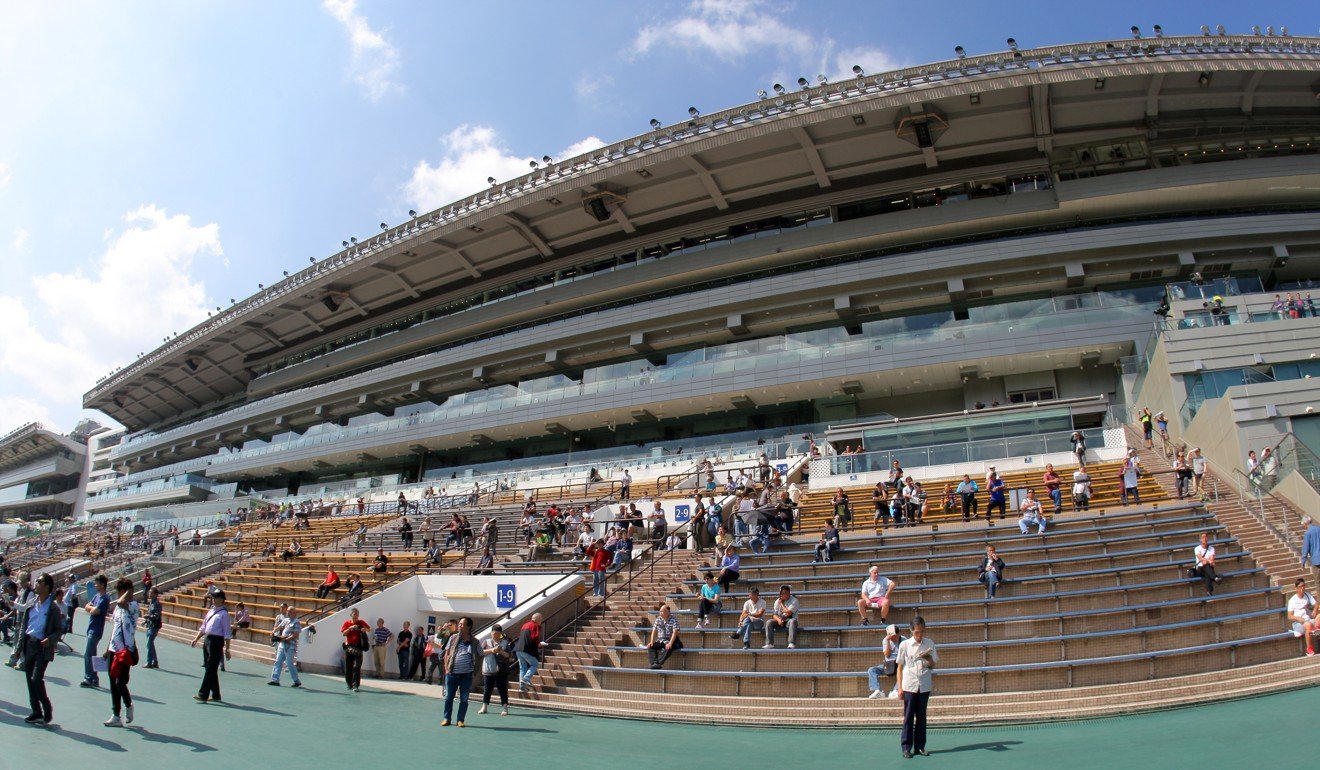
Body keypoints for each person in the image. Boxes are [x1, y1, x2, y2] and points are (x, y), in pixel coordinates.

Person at [22, 573, 64, 725]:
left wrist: (50, 640)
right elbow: (24, 625)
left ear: (47, 586)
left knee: (36, 678)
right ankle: (36, 711)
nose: (36, 583)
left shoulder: (53, 608)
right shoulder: (32, 603)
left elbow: (59, 630)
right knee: (29, 678)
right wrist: (21, 645)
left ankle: (46, 708)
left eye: (39, 581)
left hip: (42, 646)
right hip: (29, 643)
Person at [896, 616, 938, 758]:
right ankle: (906, 747)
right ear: (911, 631)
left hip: (924, 685)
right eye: (916, 632)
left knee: (922, 717)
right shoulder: (905, 645)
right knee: (908, 717)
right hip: (909, 685)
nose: (919, 635)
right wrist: (900, 688)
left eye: (922, 632)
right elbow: (900, 667)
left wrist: (929, 659)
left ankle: (920, 747)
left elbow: (933, 665)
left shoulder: (930, 643)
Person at [103, 576, 139, 727]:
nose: (117, 594)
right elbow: (115, 629)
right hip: (114, 649)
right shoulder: (118, 608)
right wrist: (107, 648)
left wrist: (128, 592)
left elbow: (121, 601)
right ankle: (116, 715)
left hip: (125, 651)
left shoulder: (133, 605)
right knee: (112, 683)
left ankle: (129, 704)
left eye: (119, 591)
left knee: (120, 682)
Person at [190, 588, 232, 703]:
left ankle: (203, 694)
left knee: (211, 668)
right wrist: (196, 638)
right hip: (208, 639)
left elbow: (227, 633)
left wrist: (227, 649)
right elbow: (204, 627)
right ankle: (216, 694)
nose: (213, 599)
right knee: (210, 668)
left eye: (215, 597)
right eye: (213, 597)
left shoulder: (224, 614)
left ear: (221, 599)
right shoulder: (211, 611)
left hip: (217, 641)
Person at [441, 617, 481, 727]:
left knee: (464, 699)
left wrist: (475, 669)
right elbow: (447, 654)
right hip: (452, 673)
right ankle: (446, 718)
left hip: (466, 675)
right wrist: (447, 669)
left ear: (469, 627)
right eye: (459, 624)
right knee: (449, 697)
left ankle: (460, 720)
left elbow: (481, 654)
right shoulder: (453, 638)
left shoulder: (475, 642)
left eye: (462, 624)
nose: (459, 626)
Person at [479, 623, 516, 716]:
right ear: (491, 633)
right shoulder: (486, 642)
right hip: (488, 669)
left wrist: (501, 651)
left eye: (497, 633)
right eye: (493, 633)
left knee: (502, 689)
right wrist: (492, 650)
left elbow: (509, 656)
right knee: (487, 689)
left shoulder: (504, 643)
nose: (494, 635)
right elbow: (480, 652)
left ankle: (505, 707)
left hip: (501, 670)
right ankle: (484, 706)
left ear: (500, 633)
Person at [81, 574, 110, 688]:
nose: (95, 585)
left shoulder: (105, 598)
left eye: (97, 583)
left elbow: (95, 611)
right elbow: (87, 606)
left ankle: (89, 678)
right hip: (91, 628)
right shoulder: (97, 596)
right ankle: (94, 678)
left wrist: (91, 609)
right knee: (91, 654)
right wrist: (91, 608)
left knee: (88, 654)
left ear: (102, 585)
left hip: (96, 630)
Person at [867, 624, 904, 699]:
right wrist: (888, 641)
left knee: (905, 670)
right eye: (891, 636)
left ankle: (896, 690)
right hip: (888, 665)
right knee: (872, 670)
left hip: (899, 664)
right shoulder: (886, 640)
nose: (893, 638)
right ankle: (878, 691)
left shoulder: (904, 640)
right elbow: (887, 655)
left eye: (894, 636)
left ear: (897, 634)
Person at [268, 606, 303, 687]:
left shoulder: (296, 622)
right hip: (282, 644)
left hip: (290, 645)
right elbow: (279, 627)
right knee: (278, 661)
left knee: (290, 663)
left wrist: (287, 639)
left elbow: (296, 634)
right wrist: (273, 631)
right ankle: (275, 680)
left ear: (295, 613)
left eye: (290, 611)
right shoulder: (286, 620)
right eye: (288, 611)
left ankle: (296, 680)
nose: (288, 613)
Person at [340, 607, 370, 691]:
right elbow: (343, 633)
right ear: (351, 615)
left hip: (358, 647)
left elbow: (369, 629)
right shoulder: (347, 623)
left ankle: (356, 685)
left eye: (357, 614)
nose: (356, 616)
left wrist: (364, 629)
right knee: (348, 666)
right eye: (354, 614)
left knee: (357, 666)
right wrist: (350, 628)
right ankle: (349, 684)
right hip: (349, 647)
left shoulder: (361, 622)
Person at [1288, 579, 1320, 656]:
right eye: (1300, 587)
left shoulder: (1307, 595)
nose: (1302, 588)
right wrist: (1298, 618)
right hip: (1298, 623)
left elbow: (1316, 604)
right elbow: (1289, 616)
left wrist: (1315, 610)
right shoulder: (1292, 600)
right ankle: (1309, 648)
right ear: (1296, 588)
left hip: (1309, 620)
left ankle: (1315, 628)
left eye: (1303, 586)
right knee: (1308, 625)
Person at [645, 603, 682, 668]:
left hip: (671, 640)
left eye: (662, 611)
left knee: (668, 648)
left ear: (668, 612)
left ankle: (658, 663)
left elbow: (675, 632)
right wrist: (651, 642)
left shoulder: (674, 619)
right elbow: (654, 631)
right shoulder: (658, 619)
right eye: (660, 611)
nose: (660, 613)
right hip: (661, 640)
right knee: (650, 647)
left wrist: (670, 643)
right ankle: (654, 663)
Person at [515, 612, 544, 691]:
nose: (541, 621)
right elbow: (535, 637)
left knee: (523, 668)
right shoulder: (535, 625)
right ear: (538, 619)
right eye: (541, 619)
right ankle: (526, 678)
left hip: (518, 648)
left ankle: (522, 687)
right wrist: (539, 644)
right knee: (535, 664)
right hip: (526, 649)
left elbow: (521, 636)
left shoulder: (525, 625)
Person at [764, 584, 799, 649]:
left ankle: (791, 643)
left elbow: (788, 613)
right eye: (780, 593)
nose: (781, 595)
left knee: (793, 621)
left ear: (788, 593)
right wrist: (779, 620)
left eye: (783, 593)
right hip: (780, 621)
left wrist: (781, 604)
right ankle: (769, 643)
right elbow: (774, 614)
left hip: (789, 620)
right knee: (769, 622)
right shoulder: (777, 601)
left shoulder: (794, 600)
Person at [1191, 531, 1223, 596]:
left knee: (1207, 570)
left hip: (1208, 568)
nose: (1205, 538)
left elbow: (1211, 560)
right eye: (1203, 537)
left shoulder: (1211, 549)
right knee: (1205, 565)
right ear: (1200, 539)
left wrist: (1207, 561)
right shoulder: (1197, 548)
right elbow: (1201, 559)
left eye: (1206, 537)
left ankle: (1209, 591)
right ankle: (1215, 578)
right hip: (1200, 569)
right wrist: (1208, 561)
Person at [143, 587, 162, 668]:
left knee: (149, 643)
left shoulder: (157, 604)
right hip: (150, 625)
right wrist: (146, 621)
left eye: (151, 592)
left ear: (155, 594)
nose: (149, 593)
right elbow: (150, 613)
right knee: (150, 644)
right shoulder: (151, 603)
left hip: (154, 626)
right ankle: (155, 661)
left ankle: (149, 662)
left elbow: (157, 615)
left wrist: (149, 617)